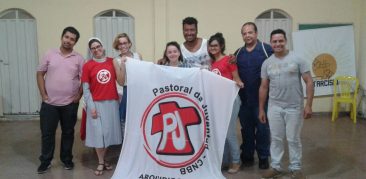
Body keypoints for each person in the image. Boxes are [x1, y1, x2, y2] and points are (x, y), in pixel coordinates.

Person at [259, 29, 314, 179]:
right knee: (276, 139)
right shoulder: (267, 63)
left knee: (293, 139)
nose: (278, 44)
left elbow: (309, 81)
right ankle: (276, 167)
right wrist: (261, 109)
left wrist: (308, 105)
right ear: (271, 43)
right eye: (275, 41)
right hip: (274, 107)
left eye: (280, 41)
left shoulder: (298, 59)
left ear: (285, 41)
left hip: (294, 107)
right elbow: (263, 87)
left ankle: (296, 168)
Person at [36, 26, 84, 174]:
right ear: (62, 37)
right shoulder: (49, 54)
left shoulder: (79, 58)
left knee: (68, 133)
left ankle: (66, 159)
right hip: (49, 104)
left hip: (69, 104)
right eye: (67, 37)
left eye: (72, 39)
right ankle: (46, 161)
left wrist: (78, 95)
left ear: (75, 42)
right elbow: (39, 74)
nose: (68, 41)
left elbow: (85, 79)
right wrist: (43, 94)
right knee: (47, 133)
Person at [82, 37, 123, 176]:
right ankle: (101, 162)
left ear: (102, 47)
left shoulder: (113, 62)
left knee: (108, 134)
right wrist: (91, 107)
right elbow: (86, 90)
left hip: (111, 103)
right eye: (93, 48)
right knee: (98, 134)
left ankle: (103, 159)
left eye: (98, 46)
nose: (96, 49)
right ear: (90, 50)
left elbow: (122, 78)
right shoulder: (87, 65)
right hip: (96, 104)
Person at [235, 22, 273, 169]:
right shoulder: (238, 53)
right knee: (246, 130)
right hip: (244, 101)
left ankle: (263, 157)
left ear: (256, 33)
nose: (247, 35)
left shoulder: (266, 50)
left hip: (262, 101)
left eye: (250, 32)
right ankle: (247, 155)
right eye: (244, 33)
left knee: (263, 130)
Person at [208, 32, 244, 174]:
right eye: (211, 46)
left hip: (231, 99)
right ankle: (226, 161)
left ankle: (236, 161)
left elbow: (236, 77)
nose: (213, 48)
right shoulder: (212, 63)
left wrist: (239, 83)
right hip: (219, 101)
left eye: (216, 45)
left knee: (229, 133)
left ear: (221, 46)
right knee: (222, 133)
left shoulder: (229, 59)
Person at [112, 33, 142, 141]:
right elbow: (120, 81)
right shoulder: (116, 60)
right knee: (125, 119)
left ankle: (138, 142)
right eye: (120, 44)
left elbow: (143, 73)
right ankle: (126, 143)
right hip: (126, 91)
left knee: (139, 118)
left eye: (125, 43)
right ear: (117, 46)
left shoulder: (138, 56)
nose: (122, 45)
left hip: (138, 91)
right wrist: (124, 64)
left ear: (129, 44)